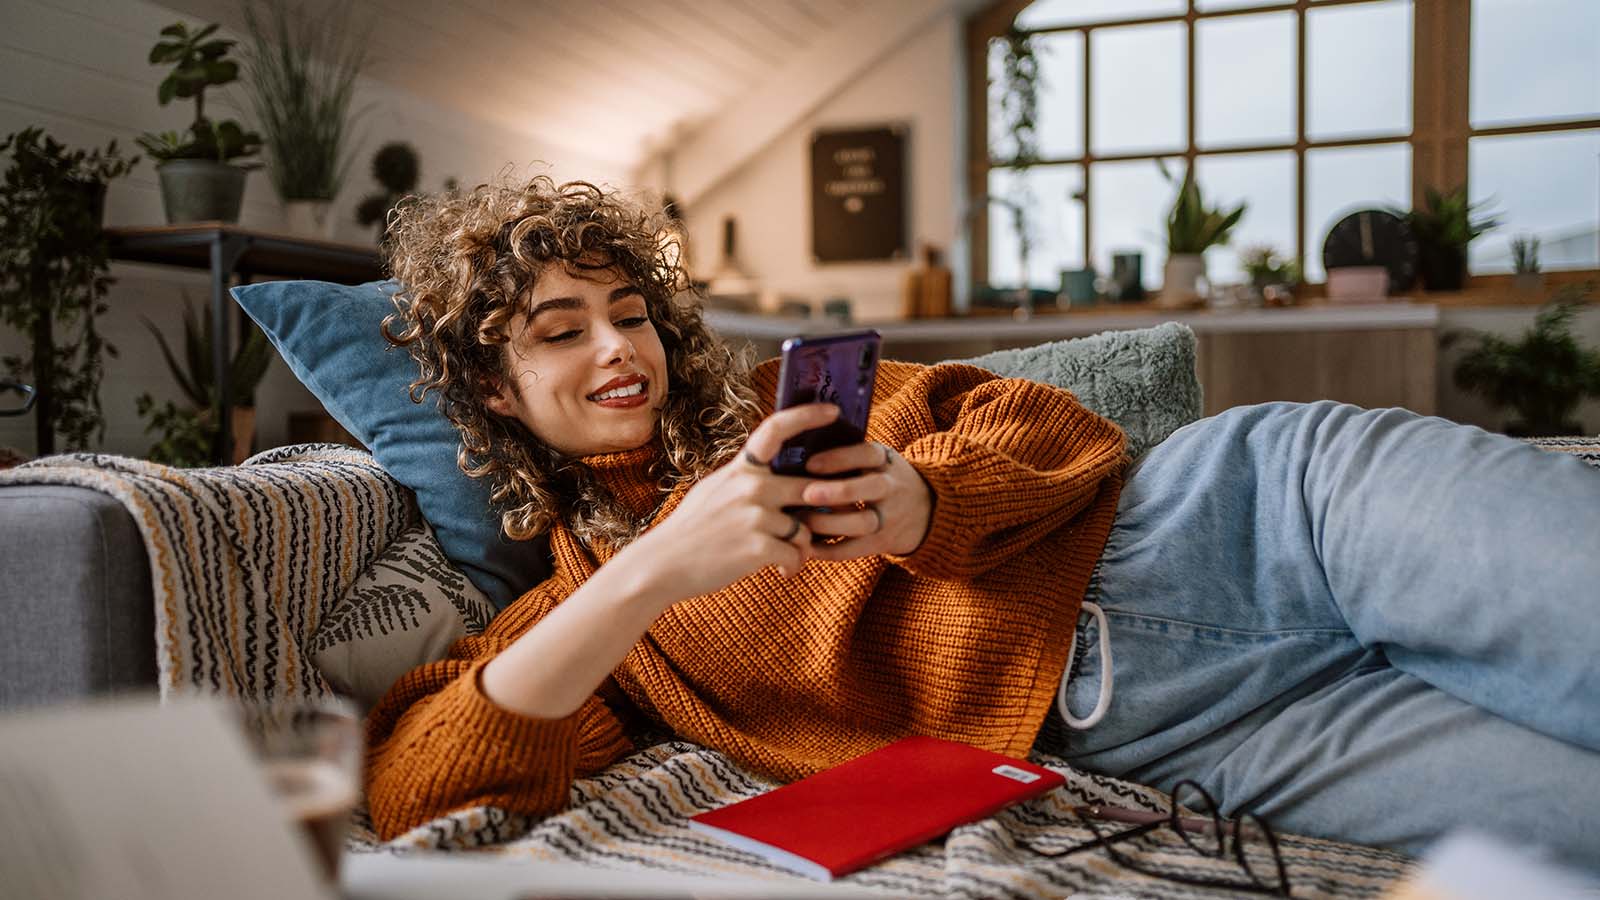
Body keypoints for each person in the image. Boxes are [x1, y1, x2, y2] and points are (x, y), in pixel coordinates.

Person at [366, 176, 1600, 876]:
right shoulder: (591, 619)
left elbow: (1052, 429)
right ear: (491, 384)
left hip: (1259, 513)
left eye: (625, 310)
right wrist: (652, 576)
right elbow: (425, 786)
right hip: (1194, 736)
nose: (616, 347)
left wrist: (919, 500)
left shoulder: (783, 407)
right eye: (559, 329)